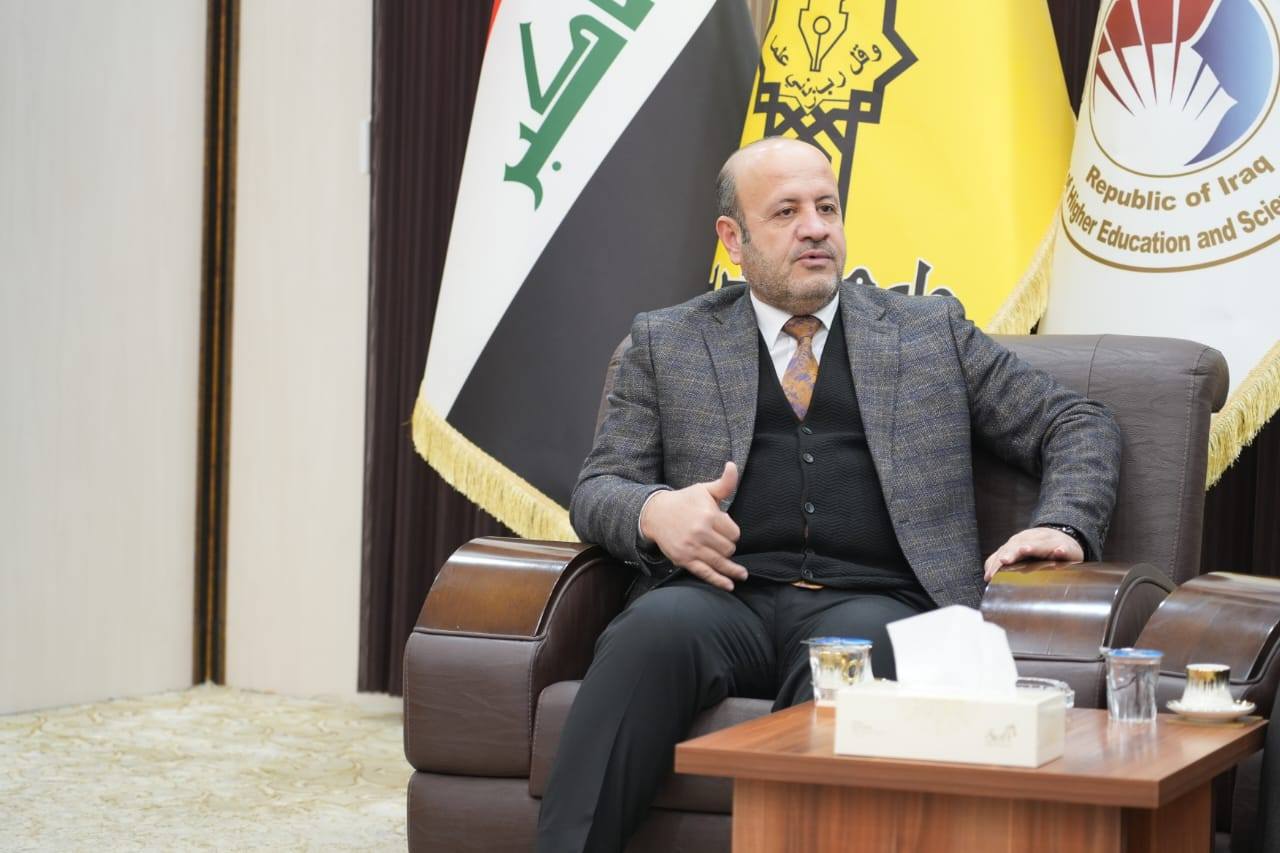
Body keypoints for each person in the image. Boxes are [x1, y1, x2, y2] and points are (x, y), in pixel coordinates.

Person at [536, 137, 1121, 852]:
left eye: (827, 207)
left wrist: (1064, 523)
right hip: (716, 599)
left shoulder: (929, 331)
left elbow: (1075, 422)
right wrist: (654, 512)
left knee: (853, 665)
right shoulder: (667, 342)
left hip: (875, 601)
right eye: (786, 212)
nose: (815, 228)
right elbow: (599, 487)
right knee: (645, 637)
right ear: (733, 239)